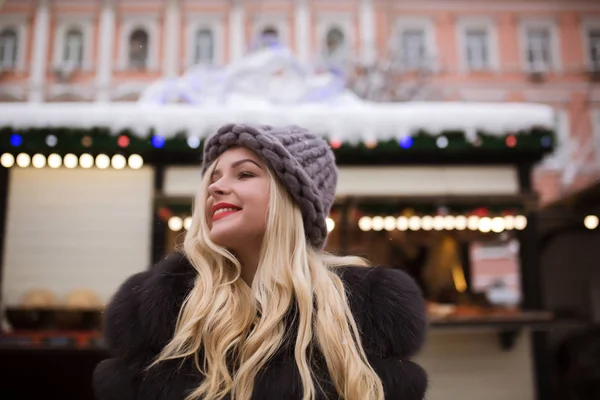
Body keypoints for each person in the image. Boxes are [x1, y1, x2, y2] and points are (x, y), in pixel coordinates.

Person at [93, 123, 428, 400]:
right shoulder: (159, 315)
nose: (216, 187)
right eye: (214, 177)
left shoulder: (361, 316)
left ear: (291, 198)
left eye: (244, 174)